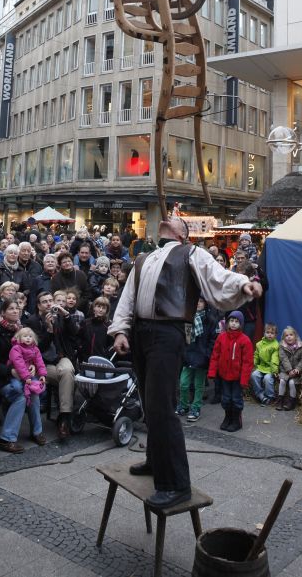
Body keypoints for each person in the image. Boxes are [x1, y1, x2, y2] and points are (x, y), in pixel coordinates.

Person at [110, 216, 262, 509]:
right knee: (149, 403)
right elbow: (128, 298)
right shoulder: (143, 258)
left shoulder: (191, 252)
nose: (168, 216)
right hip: (141, 333)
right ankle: (155, 461)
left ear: (183, 233)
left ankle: (176, 485)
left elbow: (218, 276)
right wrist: (119, 330)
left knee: (162, 407)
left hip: (167, 334)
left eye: (175, 219)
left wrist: (244, 284)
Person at [28, 291, 78, 439]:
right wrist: (49, 331)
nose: (49, 304)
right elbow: (36, 349)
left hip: (61, 357)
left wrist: (66, 316)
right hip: (42, 362)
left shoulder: (59, 317)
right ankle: (64, 420)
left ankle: (64, 417)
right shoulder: (32, 322)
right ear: (38, 305)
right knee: (67, 377)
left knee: (68, 371)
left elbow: (75, 332)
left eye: (51, 300)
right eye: (45, 302)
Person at [0, 298, 28, 453]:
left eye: (17, 308)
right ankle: (6, 439)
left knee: (34, 391)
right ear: (3, 312)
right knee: (20, 397)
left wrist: (31, 366)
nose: (15, 311)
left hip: (19, 374)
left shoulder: (21, 330)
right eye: (11, 308)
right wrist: (11, 371)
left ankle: (37, 432)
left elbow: (31, 353)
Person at [208, 310, 254, 432]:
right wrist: (212, 372)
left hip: (237, 377)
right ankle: (227, 417)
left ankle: (236, 420)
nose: (233, 323)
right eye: (231, 321)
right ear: (227, 322)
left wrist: (244, 379)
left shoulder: (245, 340)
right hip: (224, 375)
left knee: (236, 398)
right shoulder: (221, 337)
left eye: (236, 321)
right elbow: (215, 355)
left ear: (241, 324)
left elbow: (247, 362)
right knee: (226, 398)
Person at [176, 297, 219, 422]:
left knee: (198, 385)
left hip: (202, 357)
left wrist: (207, 354)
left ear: (205, 303)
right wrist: (184, 352)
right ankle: (184, 405)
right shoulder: (188, 318)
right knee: (183, 383)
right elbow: (186, 338)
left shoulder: (210, 320)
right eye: (196, 301)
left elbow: (213, 339)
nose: (198, 304)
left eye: (200, 301)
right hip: (189, 356)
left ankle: (196, 408)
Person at [8, 328, 47, 445]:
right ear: (19, 338)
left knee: (36, 394)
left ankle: (37, 431)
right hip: (17, 375)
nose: (28, 338)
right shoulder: (16, 348)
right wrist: (26, 377)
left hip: (29, 375)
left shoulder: (35, 349)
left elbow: (39, 362)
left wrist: (42, 374)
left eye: (30, 336)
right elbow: (18, 363)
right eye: (25, 336)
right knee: (17, 388)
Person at [276, 326, 302, 411]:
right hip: (285, 371)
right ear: (284, 338)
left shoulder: (300, 346)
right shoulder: (282, 346)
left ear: (295, 336)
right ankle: (280, 400)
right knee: (282, 381)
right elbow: (283, 359)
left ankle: (291, 402)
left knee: (292, 383)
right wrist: (289, 370)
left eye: (291, 335)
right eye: (286, 335)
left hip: (296, 372)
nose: (289, 337)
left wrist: (297, 369)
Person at [250, 322, 279, 405]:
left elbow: (274, 359)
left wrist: (275, 371)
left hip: (270, 368)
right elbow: (256, 355)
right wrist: (254, 364)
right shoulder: (259, 344)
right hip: (261, 367)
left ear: (275, 335)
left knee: (267, 378)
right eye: (268, 332)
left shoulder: (275, 345)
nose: (270, 334)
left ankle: (270, 396)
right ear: (264, 333)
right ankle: (260, 395)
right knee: (254, 375)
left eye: (272, 333)